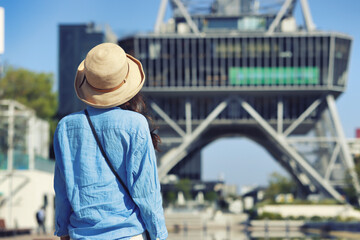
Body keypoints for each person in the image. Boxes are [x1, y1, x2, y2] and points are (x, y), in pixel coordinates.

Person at [53, 43, 168, 240]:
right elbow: (146, 192)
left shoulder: (65, 127)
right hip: (127, 234)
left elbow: (62, 190)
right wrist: (159, 235)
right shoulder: (136, 125)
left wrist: (63, 231)